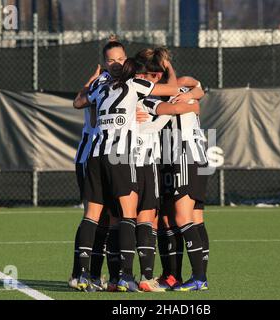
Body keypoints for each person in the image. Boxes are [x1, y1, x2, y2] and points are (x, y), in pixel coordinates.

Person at [78, 57, 180, 292]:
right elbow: (174, 90)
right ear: (136, 75)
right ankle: (126, 276)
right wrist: (169, 69)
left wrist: (91, 81)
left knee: (96, 216)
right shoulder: (135, 85)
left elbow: (79, 103)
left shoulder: (101, 87)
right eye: (146, 74)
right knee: (127, 215)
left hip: (95, 154)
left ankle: (88, 275)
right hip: (122, 156)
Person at [139, 62, 210, 291]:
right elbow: (196, 88)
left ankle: (198, 277)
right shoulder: (177, 91)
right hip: (179, 158)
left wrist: (138, 124)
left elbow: (186, 100)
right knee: (178, 218)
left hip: (184, 156)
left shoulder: (158, 96)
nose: (145, 78)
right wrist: (193, 95)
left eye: (150, 74)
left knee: (182, 217)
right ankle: (174, 276)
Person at [69, 37, 127, 292]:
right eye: (112, 60)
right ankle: (80, 274)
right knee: (95, 215)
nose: (116, 64)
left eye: (121, 59)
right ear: (104, 63)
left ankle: (95, 275)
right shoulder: (103, 83)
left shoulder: (123, 81)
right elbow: (79, 102)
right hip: (91, 155)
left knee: (107, 218)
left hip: (112, 156)